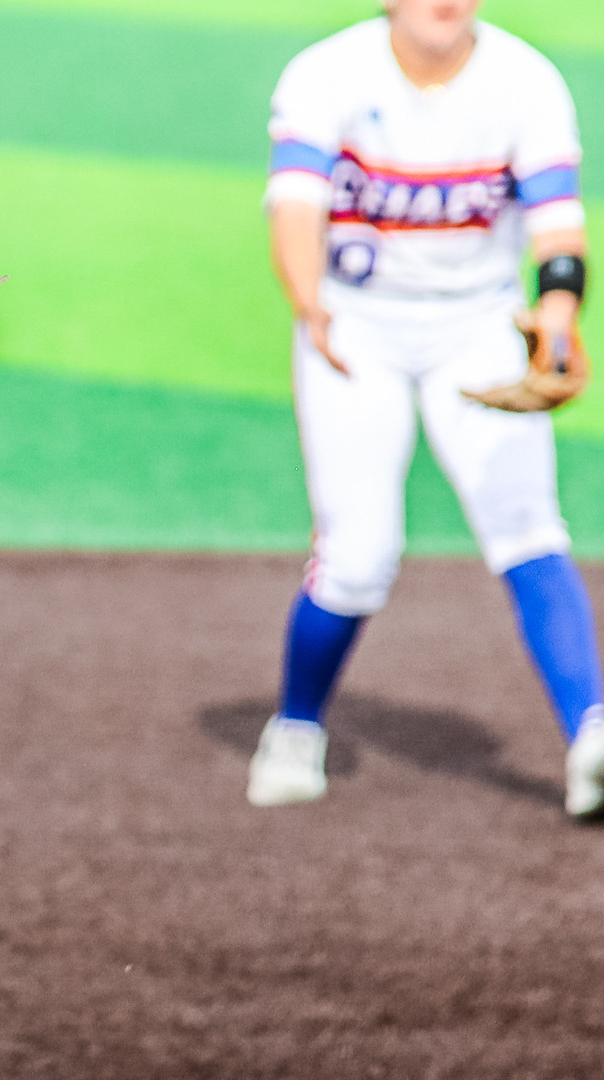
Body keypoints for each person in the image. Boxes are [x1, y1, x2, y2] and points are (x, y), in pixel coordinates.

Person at [247, 0, 604, 819]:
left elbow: (558, 227)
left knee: (527, 525)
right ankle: (296, 727)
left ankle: (593, 737)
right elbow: (294, 207)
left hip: (479, 325)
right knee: (358, 554)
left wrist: (556, 318)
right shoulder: (328, 72)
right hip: (351, 330)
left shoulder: (525, 80)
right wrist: (310, 304)